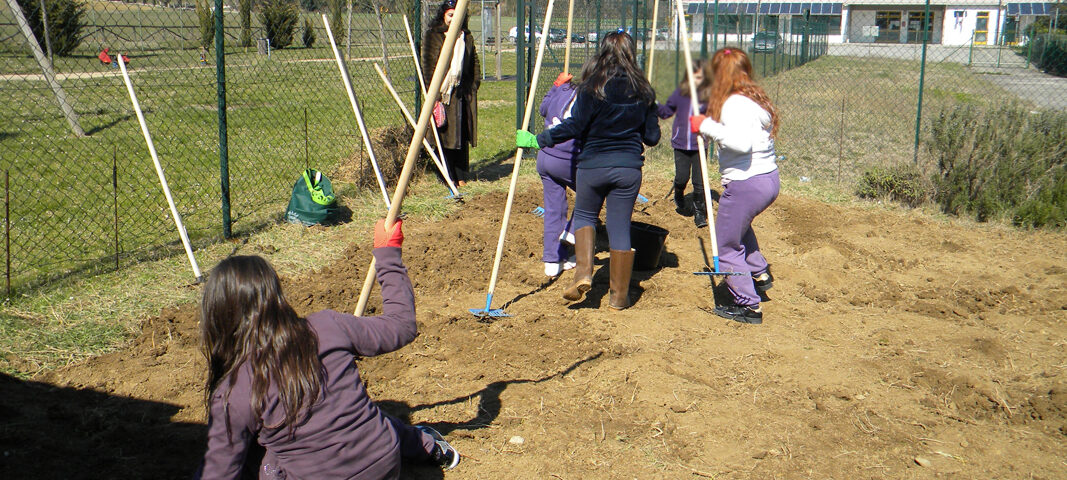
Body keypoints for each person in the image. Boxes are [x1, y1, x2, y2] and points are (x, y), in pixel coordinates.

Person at [195, 219, 460, 479]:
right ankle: (429, 446)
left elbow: (218, 470)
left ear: (218, 318)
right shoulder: (327, 327)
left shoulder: (234, 391)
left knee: (262, 461)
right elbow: (402, 325)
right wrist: (388, 254)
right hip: (384, 463)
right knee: (360, 412)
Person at [517, 32, 660, 310]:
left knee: (584, 215)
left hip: (593, 165)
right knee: (619, 226)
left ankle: (583, 273)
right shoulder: (644, 91)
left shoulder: (591, 88)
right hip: (628, 168)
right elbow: (652, 137)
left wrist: (541, 139)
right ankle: (619, 296)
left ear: (601, 53)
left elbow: (574, 127)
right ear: (633, 53)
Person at [689, 47, 779, 324]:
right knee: (739, 228)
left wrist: (705, 125)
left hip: (746, 184)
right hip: (767, 180)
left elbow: (740, 144)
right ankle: (759, 272)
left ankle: (748, 305)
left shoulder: (734, 105)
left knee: (727, 245)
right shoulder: (752, 101)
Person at [422, 0, 479, 187]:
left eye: (458, 15)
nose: (454, 19)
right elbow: (429, 66)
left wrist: (473, 85)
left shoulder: (466, 37)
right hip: (443, 93)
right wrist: (434, 94)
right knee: (444, 136)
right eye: (450, 15)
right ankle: (447, 175)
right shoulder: (434, 36)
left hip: (461, 93)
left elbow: (474, 63)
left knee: (461, 136)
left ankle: (461, 174)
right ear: (444, 16)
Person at [657, 59, 712, 228]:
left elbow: (714, 117)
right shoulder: (680, 94)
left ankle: (699, 212)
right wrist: (653, 105)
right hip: (681, 144)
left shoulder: (708, 96)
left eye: (701, 78)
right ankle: (678, 192)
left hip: (699, 145)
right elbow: (666, 112)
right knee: (682, 177)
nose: (698, 81)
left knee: (699, 181)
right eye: (694, 77)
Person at [537, 71, 581, 276]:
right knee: (594, 191)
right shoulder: (587, 98)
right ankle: (572, 231)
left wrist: (555, 87)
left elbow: (542, 109)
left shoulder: (562, 90)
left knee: (554, 208)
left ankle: (553, 260)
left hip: (545, 158)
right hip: (567, 159)